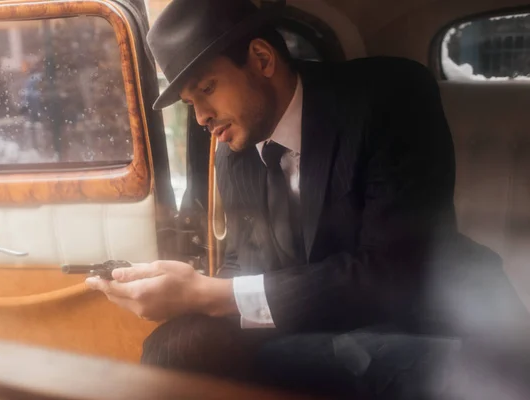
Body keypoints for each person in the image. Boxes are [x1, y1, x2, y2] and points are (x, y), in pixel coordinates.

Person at [86, 0, 530, 398]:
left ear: (261, 59)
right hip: (318, 328)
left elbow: (395, 271)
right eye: (190, 103)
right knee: (173, 347)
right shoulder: (233, 153)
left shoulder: (388, 96)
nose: (201, 117)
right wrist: (187, 293)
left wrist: (209, 294)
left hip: (423, 321)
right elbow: (249, 262)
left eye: (207, 89)